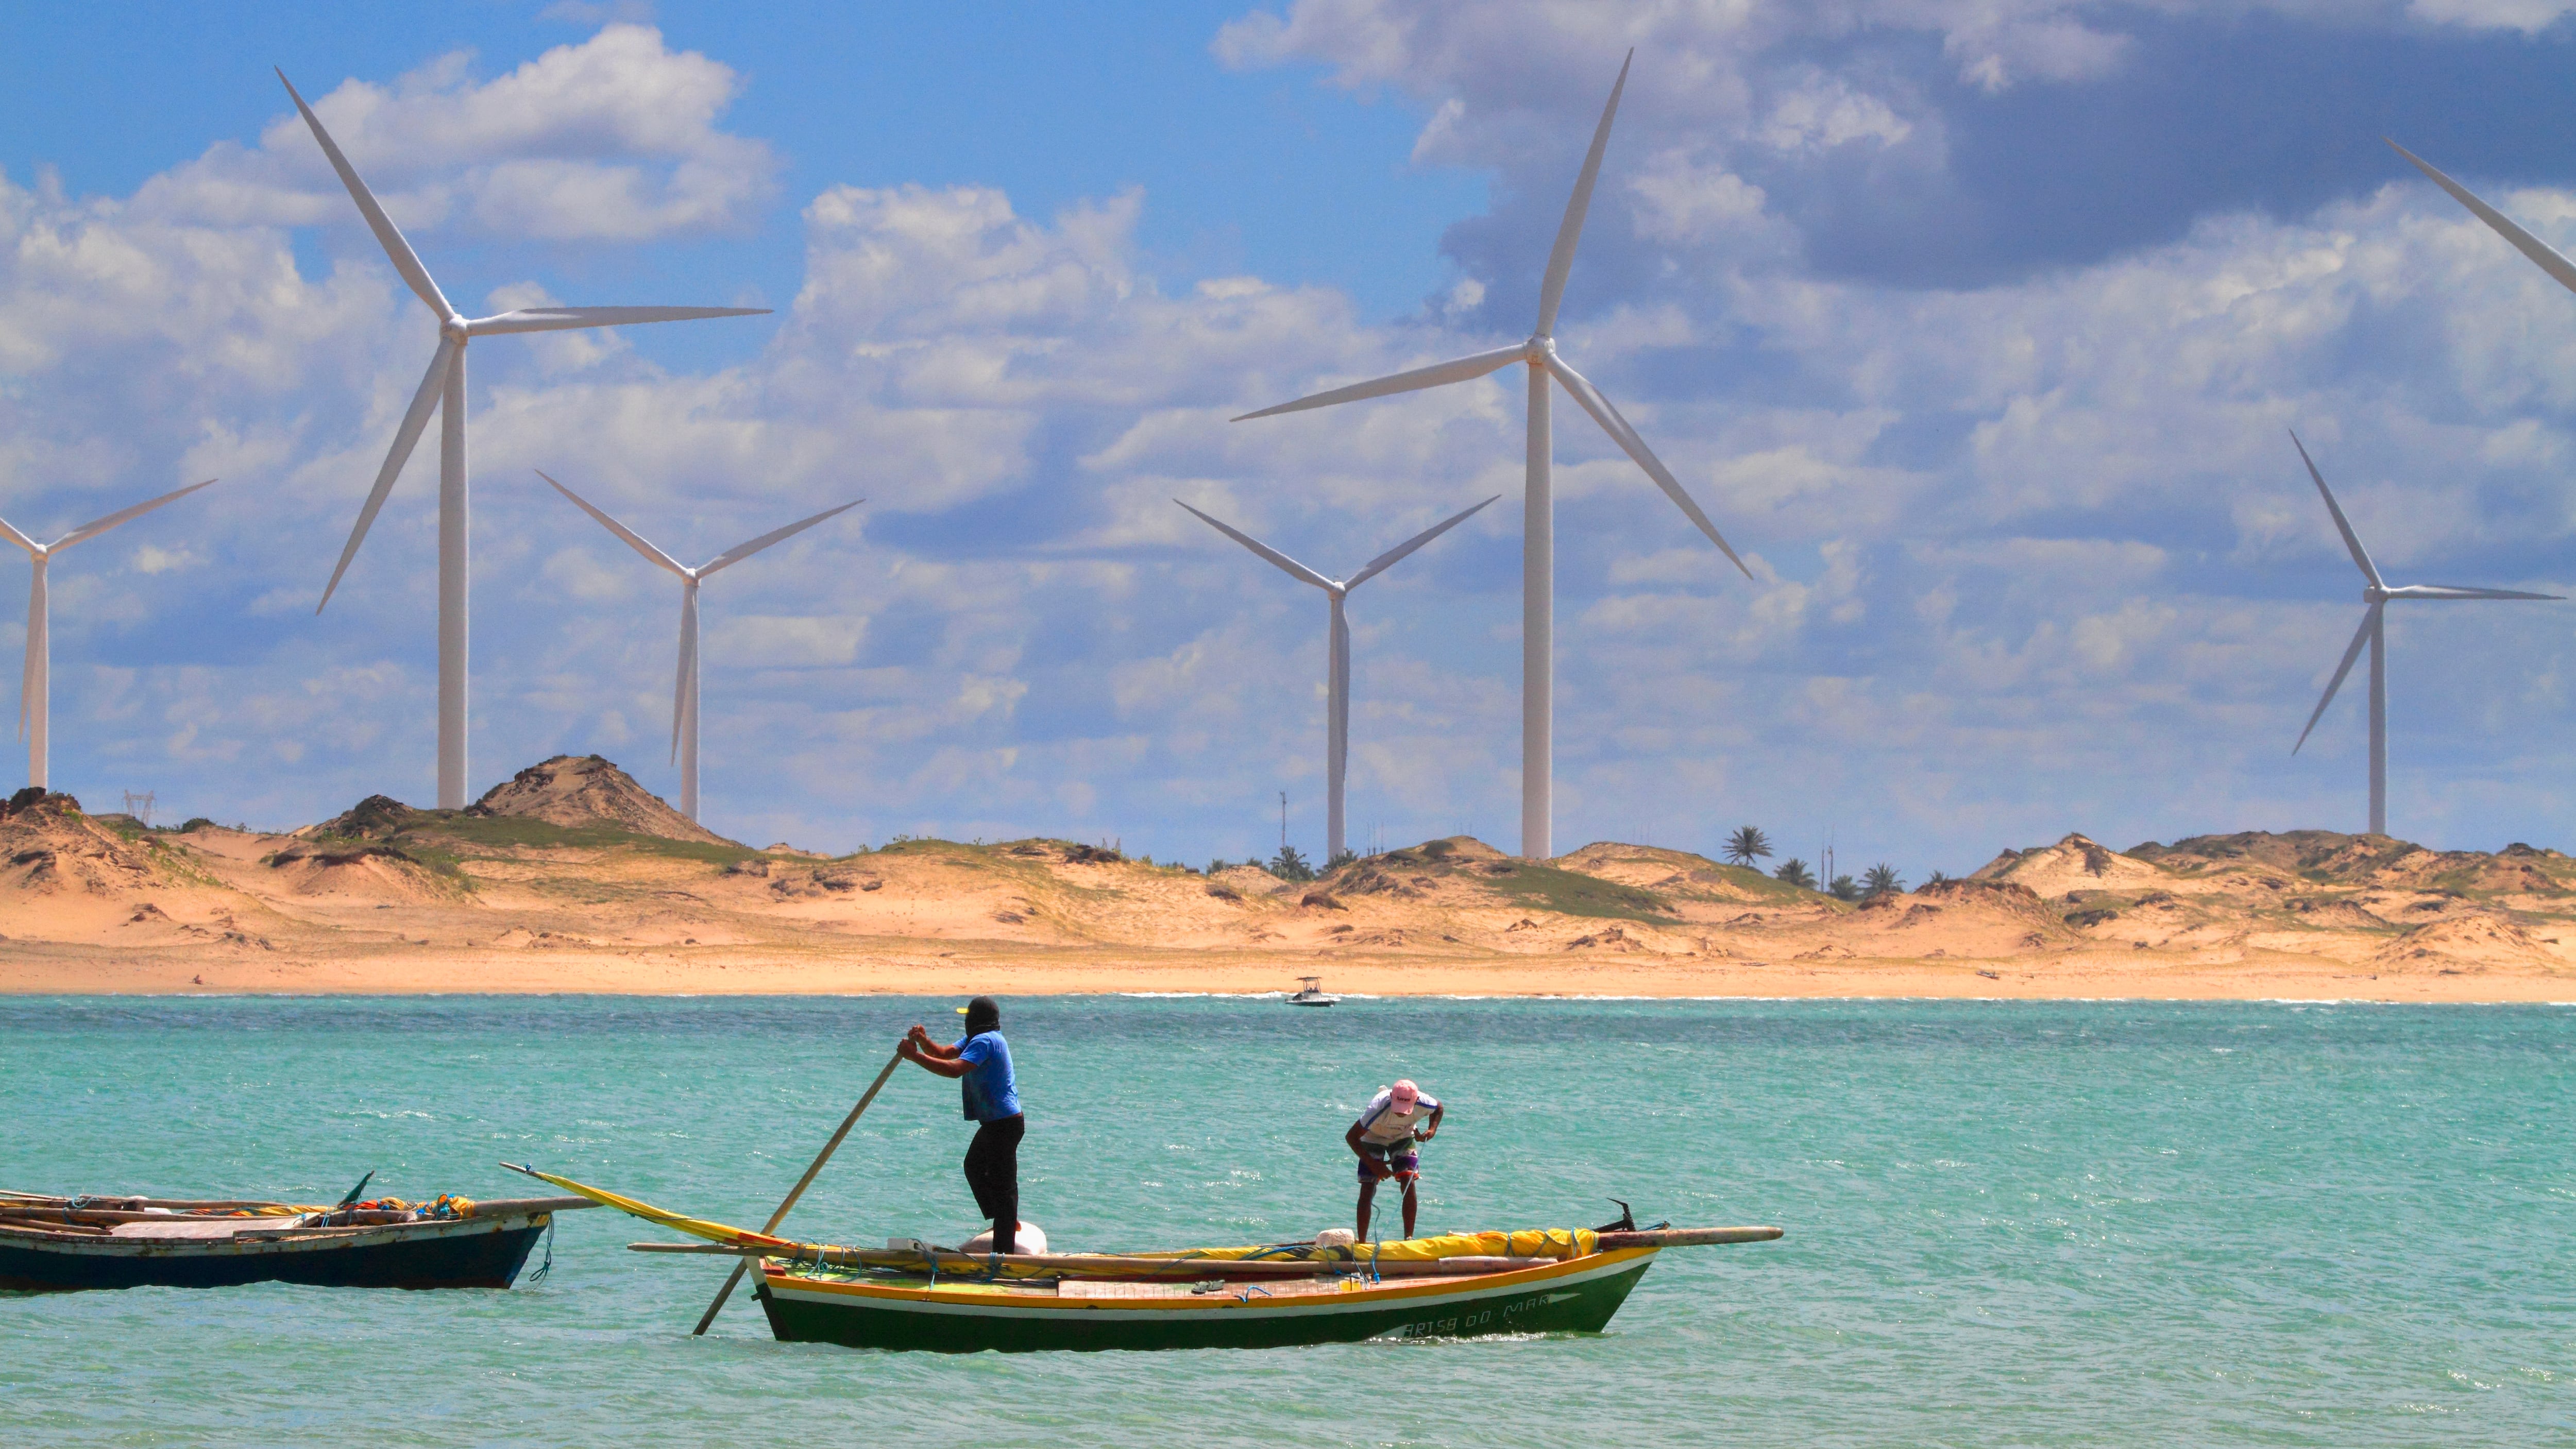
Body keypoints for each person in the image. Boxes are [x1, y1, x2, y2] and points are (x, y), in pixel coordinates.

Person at [899, 996, 1024, 1254]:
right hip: (995, 1123)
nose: (966, 1021)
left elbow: (955, 1069)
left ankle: (1004, 1254)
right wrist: (924, 1042)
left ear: (975, 1020)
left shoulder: (986, 1040)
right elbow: (944, 1054)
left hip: (1005, 1123)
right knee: (974, 1167)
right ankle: (1005, 1221)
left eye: (968, 1017)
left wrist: (914, 1057)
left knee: (1004, 1187)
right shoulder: (975, 1040)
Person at [1346, 1078, 1443, 1240]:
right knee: (1368, 1186)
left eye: (1405, 1108)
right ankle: (1362, 1242)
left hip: (1402, 1137)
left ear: (1416, 1100)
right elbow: (1351, 1137)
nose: (1399, 1112)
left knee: (1408, 1180)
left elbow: (1439, 1108)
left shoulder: (1425, 1102)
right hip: (1373, 1137)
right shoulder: (1378, 1107)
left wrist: (1432, 1130)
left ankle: (1409, 1238)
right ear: (1391, 1097)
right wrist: (1374, 1165)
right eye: (1397, 1107)